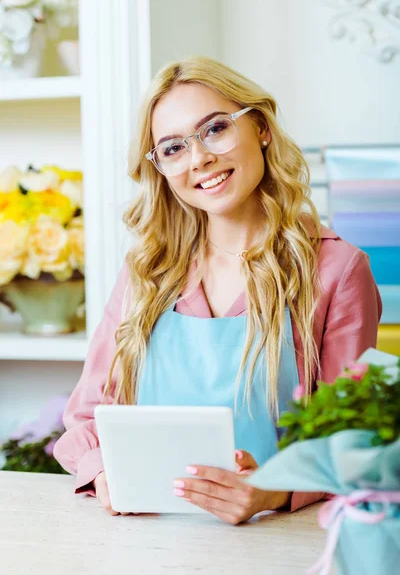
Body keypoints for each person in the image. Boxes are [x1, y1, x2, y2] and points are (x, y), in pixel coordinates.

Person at [54, 56, 382, 524]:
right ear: (161, 169)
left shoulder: (336, 270)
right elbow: (87, 417)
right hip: (145, 539)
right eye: (172, 148)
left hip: (277, 541)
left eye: (215, 129)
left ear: (261, 128)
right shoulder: (147, 271)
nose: (199, 158)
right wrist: (104, 472)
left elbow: (353, 439)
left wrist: (271, 490)